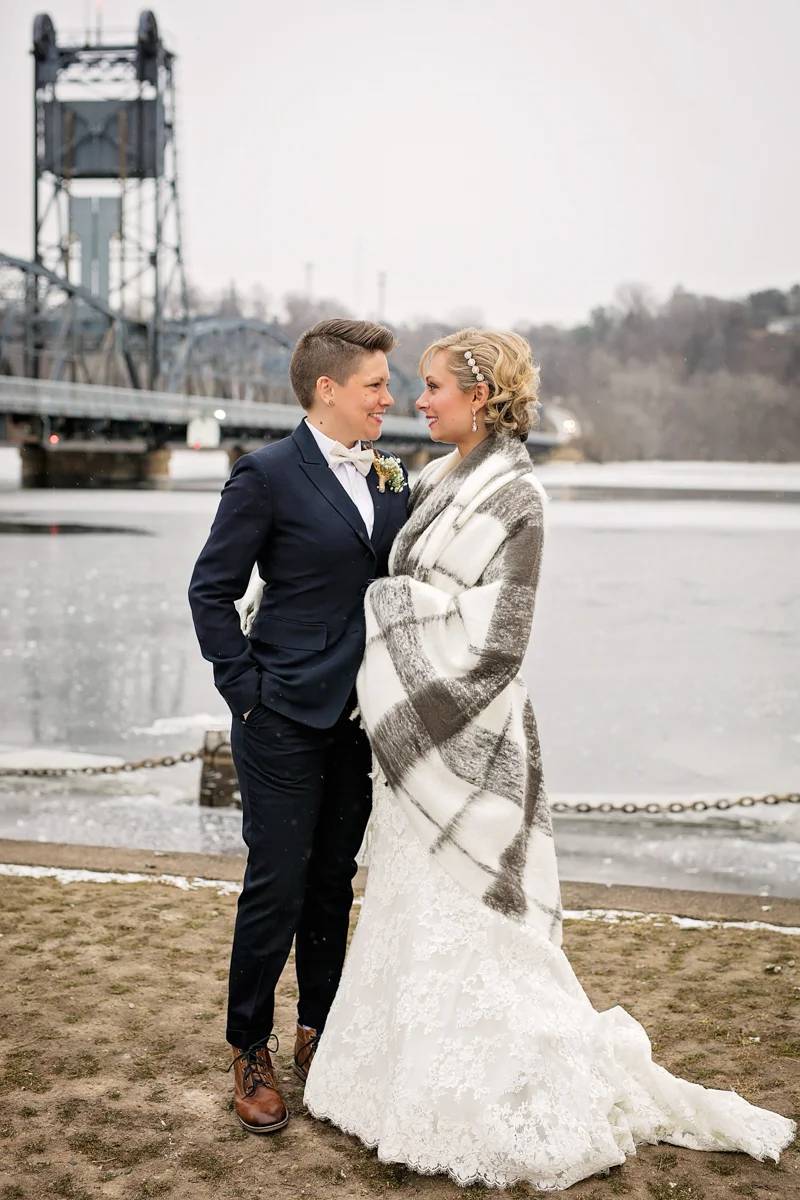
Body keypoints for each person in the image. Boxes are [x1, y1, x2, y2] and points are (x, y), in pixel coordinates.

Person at [303, 329, 796, 1189]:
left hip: (475, 740)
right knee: (415, 918)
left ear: (482, 395)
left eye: (433, 387)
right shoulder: (433, 479)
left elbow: (499, 639)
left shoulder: (519, 496)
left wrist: (388, 602)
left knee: (481, 931)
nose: (419, 402)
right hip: (416, 748)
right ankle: (392, 1083)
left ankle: (498, 1092)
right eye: (414, 388)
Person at [188, 319, 409, 1134]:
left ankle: (321, 1031)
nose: (391, 397)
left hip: (360, 723)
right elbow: (210, 590)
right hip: (280, 715)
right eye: (376, 384)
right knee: (276, 885)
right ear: (328, 389)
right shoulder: (267, 475)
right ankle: (250, 1043)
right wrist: (244, 691)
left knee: (330, 885)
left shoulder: (393, 477)